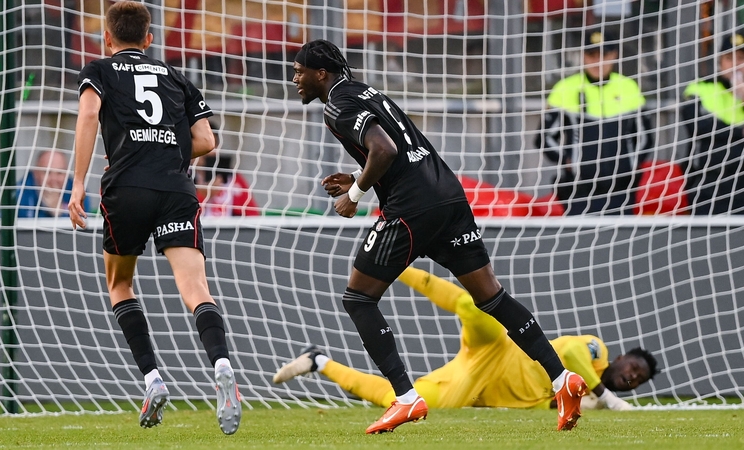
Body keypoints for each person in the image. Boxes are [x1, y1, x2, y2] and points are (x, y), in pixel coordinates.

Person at [291, 39, 588, 434]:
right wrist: (361, 175)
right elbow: (395, 151)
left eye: (299, 71)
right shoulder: (368, 91)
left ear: (321, 74)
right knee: (491, 297)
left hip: (414, 208)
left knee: (359, 298)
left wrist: (355, 194)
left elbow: (384, 149)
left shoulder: (338, 104)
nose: (295, 78)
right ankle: (561, 378)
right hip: (448, 195)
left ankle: (406, 398)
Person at [67, 1, 241, 434]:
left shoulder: (99, 70)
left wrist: (77, 185)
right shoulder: (177, 77)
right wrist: (165, 150)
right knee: (195, 286)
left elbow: (89, 114)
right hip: (176, 188)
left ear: (107, 38)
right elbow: (206, 139)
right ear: (149, 39)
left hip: (126, 187)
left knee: (120, 283)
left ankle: (153, 379)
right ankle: (221, 364)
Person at [274, 267, 660, 412]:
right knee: (472, 304)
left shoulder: (585, 402)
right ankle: (395, 267)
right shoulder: (595, 353)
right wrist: (605, 396)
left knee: (402, 402)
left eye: (636, 381)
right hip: (497, 346)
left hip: (476, 385)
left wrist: (596, 401)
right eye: (634, 369)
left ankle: (318, 361)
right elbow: (573, 351)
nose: (631, 378)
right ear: (623, 356)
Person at [537, 27, 653, 215]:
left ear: (614, 55)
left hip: (621, 189)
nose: (598, 62)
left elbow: (645, 137)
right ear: (583, 56)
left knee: (622, 241)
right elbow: (544, 138)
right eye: (592, 55)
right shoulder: (565, 88)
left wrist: (630, 165)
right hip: (579, 191)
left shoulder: (628, 87)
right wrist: (569, 162)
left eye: (604, 54)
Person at [680, 29, 744, 215]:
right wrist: (739, 133)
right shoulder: (701, 88)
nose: (735, 66)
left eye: (740, 58)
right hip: (708, 185)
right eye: (729, 58)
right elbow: (699, 126)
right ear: (720, 61)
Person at [17, 149, 88, 218]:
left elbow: (84, 224)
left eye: (60, 173)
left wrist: (60, 211)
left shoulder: (79, 193)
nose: (53, 179)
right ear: (35, 173)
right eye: (47, 172)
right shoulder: (18, 193)